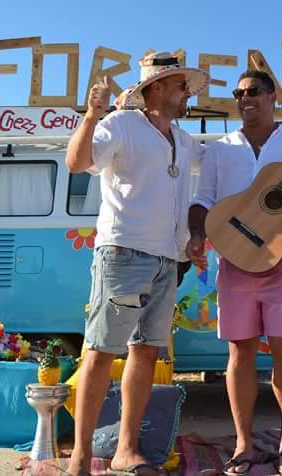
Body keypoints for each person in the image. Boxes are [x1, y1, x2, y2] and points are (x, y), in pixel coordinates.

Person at [64, 52, 208, 476]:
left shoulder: (183, 140)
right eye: (182, 86)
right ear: (157, 88)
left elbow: (221, 164)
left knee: (145, 353)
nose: (188, 94)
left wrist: (272, 144)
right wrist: (92, 114)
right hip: (123, 253)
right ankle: (80, 456)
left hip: (168, 259)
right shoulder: (120, 125)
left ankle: (127, 450)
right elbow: (77, 163)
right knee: (101, 351)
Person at [186, 70, 282, 476]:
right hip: (234, 261)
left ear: (272, 96)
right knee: (240, 353)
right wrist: (197, 234)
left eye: (253, 92)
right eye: (239, 93)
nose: (244, 98)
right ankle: (243, 444)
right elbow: (203, 199)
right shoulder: (220, 149)